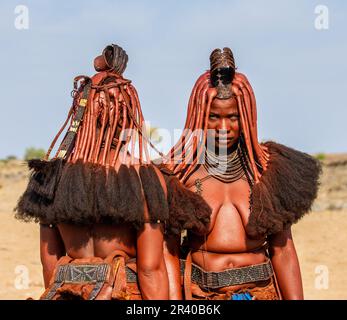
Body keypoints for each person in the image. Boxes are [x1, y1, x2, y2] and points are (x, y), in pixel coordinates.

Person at [15, 44, 210, 300]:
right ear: (128, 116)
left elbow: (50, 267)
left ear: (80, 114)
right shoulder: (143, 180)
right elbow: (150, 270)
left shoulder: (50, 178)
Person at [165, 47, 321, 300]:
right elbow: (168, 252)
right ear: (199, 116)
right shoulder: (182, 175)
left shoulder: (268, 172)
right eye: (213, 117)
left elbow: (283, 250)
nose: (224, 127)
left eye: (234, 118)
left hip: (261, 293)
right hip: (201, 296)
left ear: (247, 117)